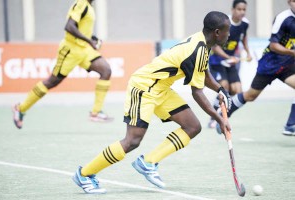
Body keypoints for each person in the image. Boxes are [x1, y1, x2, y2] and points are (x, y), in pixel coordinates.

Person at [72, 11, 232, 194]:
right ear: (217, 32)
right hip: (144, 87)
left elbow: (203, 73)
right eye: (227, 32)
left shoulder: (202, 43)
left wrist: (221, 89)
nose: (229, 35)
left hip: (161, 88)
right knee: (132, 140)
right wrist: (219, 119)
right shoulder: (197, 49)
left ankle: (148, 162)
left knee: (192, 126)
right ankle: (84, 174)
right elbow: (197, 92)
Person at [12, 0, 113, 129]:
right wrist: (89, 41)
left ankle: (96, 112)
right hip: (70, 51)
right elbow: (69, 26)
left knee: (106, 71)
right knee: (51, 82)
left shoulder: (88, 6)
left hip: (83, 50)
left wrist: (92, 38)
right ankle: (20, 108)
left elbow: (80, 28)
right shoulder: (81, 4)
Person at [217, 0, 295, 136]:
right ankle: (223, 113)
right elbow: (273, 46)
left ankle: (290, 124)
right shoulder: (284, 18)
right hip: (270, 64)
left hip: (288, 64)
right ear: (289, 2)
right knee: (251, 95)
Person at [208, 0, 252, 128]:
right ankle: (213, 117)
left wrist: (248, 53)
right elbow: (215, 47)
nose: (242, 12)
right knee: (224, 87)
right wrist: (229, 57)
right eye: (239, 9)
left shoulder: (245, 24)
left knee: (237, 90)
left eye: (244, 10)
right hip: (217, 61)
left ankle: (222, 112)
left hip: (231, 62)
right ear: (232, 10)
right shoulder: (224, 23)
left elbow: (243, 37)